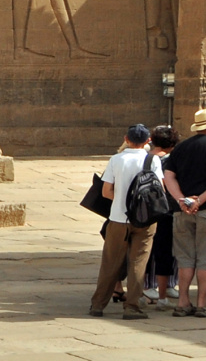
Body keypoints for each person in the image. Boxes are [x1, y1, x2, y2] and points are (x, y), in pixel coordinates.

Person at [162, 108, 206, 316]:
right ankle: (202, 303)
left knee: (185, 257)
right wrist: (200, 200)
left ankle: (183, 301)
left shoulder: (180, 148)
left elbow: (168, 176)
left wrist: (182, 200)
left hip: (182, 210)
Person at [89, 124, 161, 319]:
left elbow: (106, 192)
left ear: (126, 139)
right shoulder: (152, 160)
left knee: (110, 263)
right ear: (147, 141)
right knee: (138, 262)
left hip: (118, 218)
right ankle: (132, 306)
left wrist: (123, 200)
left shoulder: (116, 159)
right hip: (144, 219)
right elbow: (158, 189)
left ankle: (98, 305)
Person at [144, 125, 179, 306]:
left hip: (148, 209)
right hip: (167, 209)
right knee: (167, 249)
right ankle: (167, 286)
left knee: (148, 249)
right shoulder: (172, 160)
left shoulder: (146, 159)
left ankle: (149, 285)